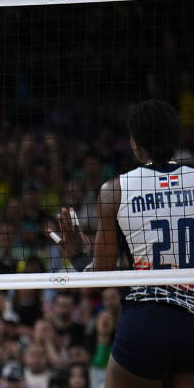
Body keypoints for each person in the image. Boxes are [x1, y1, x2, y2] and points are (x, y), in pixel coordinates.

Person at [55, 99, 194, 387]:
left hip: (147, 319)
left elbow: (101, 277)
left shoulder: (115, 190)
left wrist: (77, 256)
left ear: (134, 142)